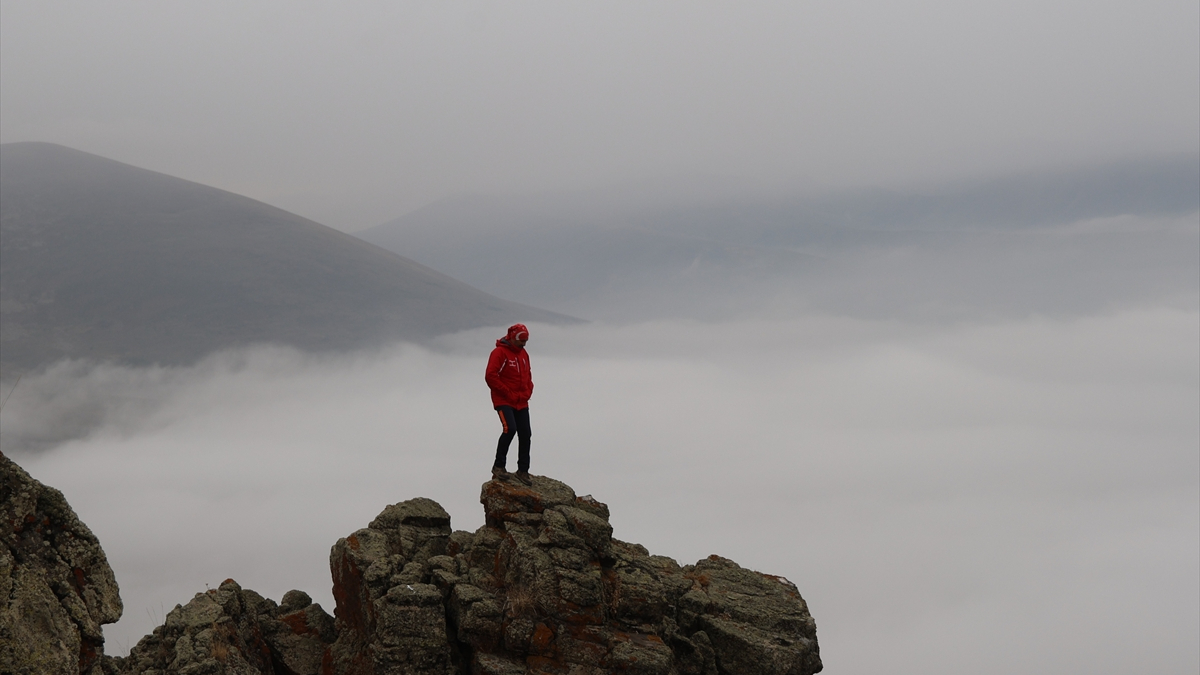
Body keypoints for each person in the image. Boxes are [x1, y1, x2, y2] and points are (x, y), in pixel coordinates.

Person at [486, 323, 534, 484]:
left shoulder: (523, 354)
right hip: (504, 400)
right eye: (521, 339)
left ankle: (523, 470)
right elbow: (491, 376)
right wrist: (508, 393)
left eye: (525, 340)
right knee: (509, 429)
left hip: (521, 401)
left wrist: (528, 392)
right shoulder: (499, 353)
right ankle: (499, 467)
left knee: (525, 433)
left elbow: (528, 376)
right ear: (513, 337)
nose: (524, 343)